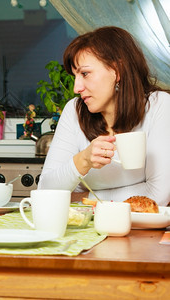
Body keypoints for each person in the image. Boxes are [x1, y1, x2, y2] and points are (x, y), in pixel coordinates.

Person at [37, 26, 170, 206]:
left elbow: (158, 195)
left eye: (85, 73)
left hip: (140, 230)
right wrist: (83, 160)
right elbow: (45, 192)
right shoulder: (74, 111)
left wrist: (83, 198)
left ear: (117, 70)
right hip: (86, 229)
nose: (77, 88)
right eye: (75, 76)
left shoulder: (158, 105)